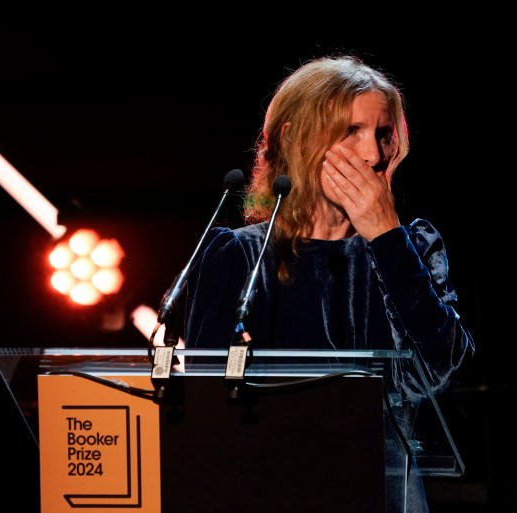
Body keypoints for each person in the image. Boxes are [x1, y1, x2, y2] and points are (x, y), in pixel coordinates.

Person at [179, 54, 475, 512]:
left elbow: (440, 372)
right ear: (293, 137)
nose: (373, 155)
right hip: (265, 486)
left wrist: (387, 239)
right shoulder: (241, 256)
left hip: (382, 489)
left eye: (382, 135)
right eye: (350, 132)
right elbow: (206, 405)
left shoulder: (412, 246)